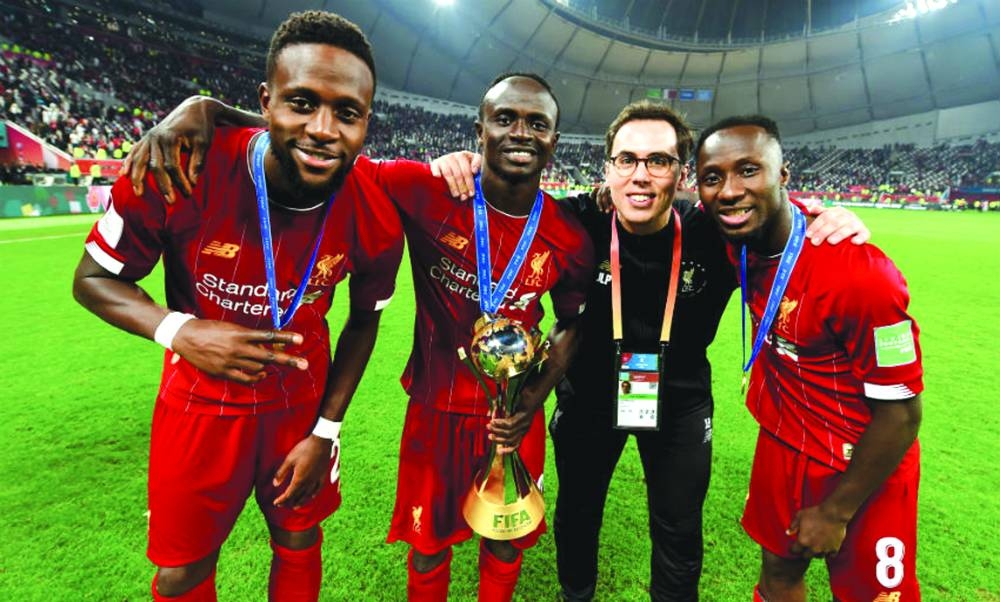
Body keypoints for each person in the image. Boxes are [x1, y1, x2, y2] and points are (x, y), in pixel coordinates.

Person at [124, 72, 595, 601]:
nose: (521, 133)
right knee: (428, 545)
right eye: (505, 118)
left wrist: (532, 399)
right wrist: (204, 108)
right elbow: (321, 144)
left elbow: (573, 321)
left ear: (556, 138)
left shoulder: (570, 236)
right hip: (434, 407)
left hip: (511, 412)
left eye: (538, 123)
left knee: (506, 541)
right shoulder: (428, 188)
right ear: (479, 129)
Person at [430, 100, 869, 601]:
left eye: (658, 161)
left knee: (678, 525)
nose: (641, 175)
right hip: (590, 399)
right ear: (608, 168)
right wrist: (461, 164)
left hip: (679, 402)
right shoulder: (575, 221)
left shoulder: (712, 231)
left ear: (681, 175)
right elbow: (503, 198)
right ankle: (577, 595)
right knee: (577, 512)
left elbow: (770, 215)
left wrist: (825, 214)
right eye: (627, 160)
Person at [73, 12, 404, 601]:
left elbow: (365, 319)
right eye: (301, 102)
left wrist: (326, 430)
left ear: (366, 121)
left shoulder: (373, 209)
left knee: (299, 540)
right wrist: (181, 331)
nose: (324, 129)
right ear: (266, 100)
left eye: (347, 113)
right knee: (181, 573)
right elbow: (94, 279)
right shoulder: (184, 164)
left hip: (300, 406)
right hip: (199, 402)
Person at [694, 115, 923, 602]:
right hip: (784, 442)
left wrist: (837, 511)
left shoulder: (861, 275)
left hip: (860, 455)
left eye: (749, 170)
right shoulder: (738, 240)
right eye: (713, 177)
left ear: (784, 174)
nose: (730, 190)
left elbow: (902, 413)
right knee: (777, 576)